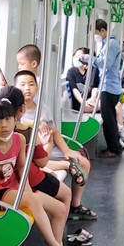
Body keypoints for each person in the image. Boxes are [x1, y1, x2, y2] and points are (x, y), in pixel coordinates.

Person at [0, 98, 77, 246]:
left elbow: (22, 167)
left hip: (15, 188)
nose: (4, 124)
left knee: (60, 209)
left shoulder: (19, 138)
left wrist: (28, 189)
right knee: (32, 200)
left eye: (8, 119)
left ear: (14, 120)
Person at [14, 69, 98, 220]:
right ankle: (66, 167)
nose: (27, 88)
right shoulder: (15, 112)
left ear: (37, 88)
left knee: (83, 163)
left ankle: (75, 205)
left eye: (31, 84)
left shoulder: (43, 108)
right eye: (22, 84)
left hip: (49, 149)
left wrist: (66, 151)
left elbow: (54, 131)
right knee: (51, 164)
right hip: (32, 156)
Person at [84, 19, 123, 158]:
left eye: (96, 33)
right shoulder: (107, 43)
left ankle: (113, 149)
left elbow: (104, 63)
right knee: (110, 118)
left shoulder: (111, 44)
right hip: (108, 85)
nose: (96, 37)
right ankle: (116, 145)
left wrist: (86, 58)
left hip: (109, 87)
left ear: (102, 31)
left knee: (108, 120)